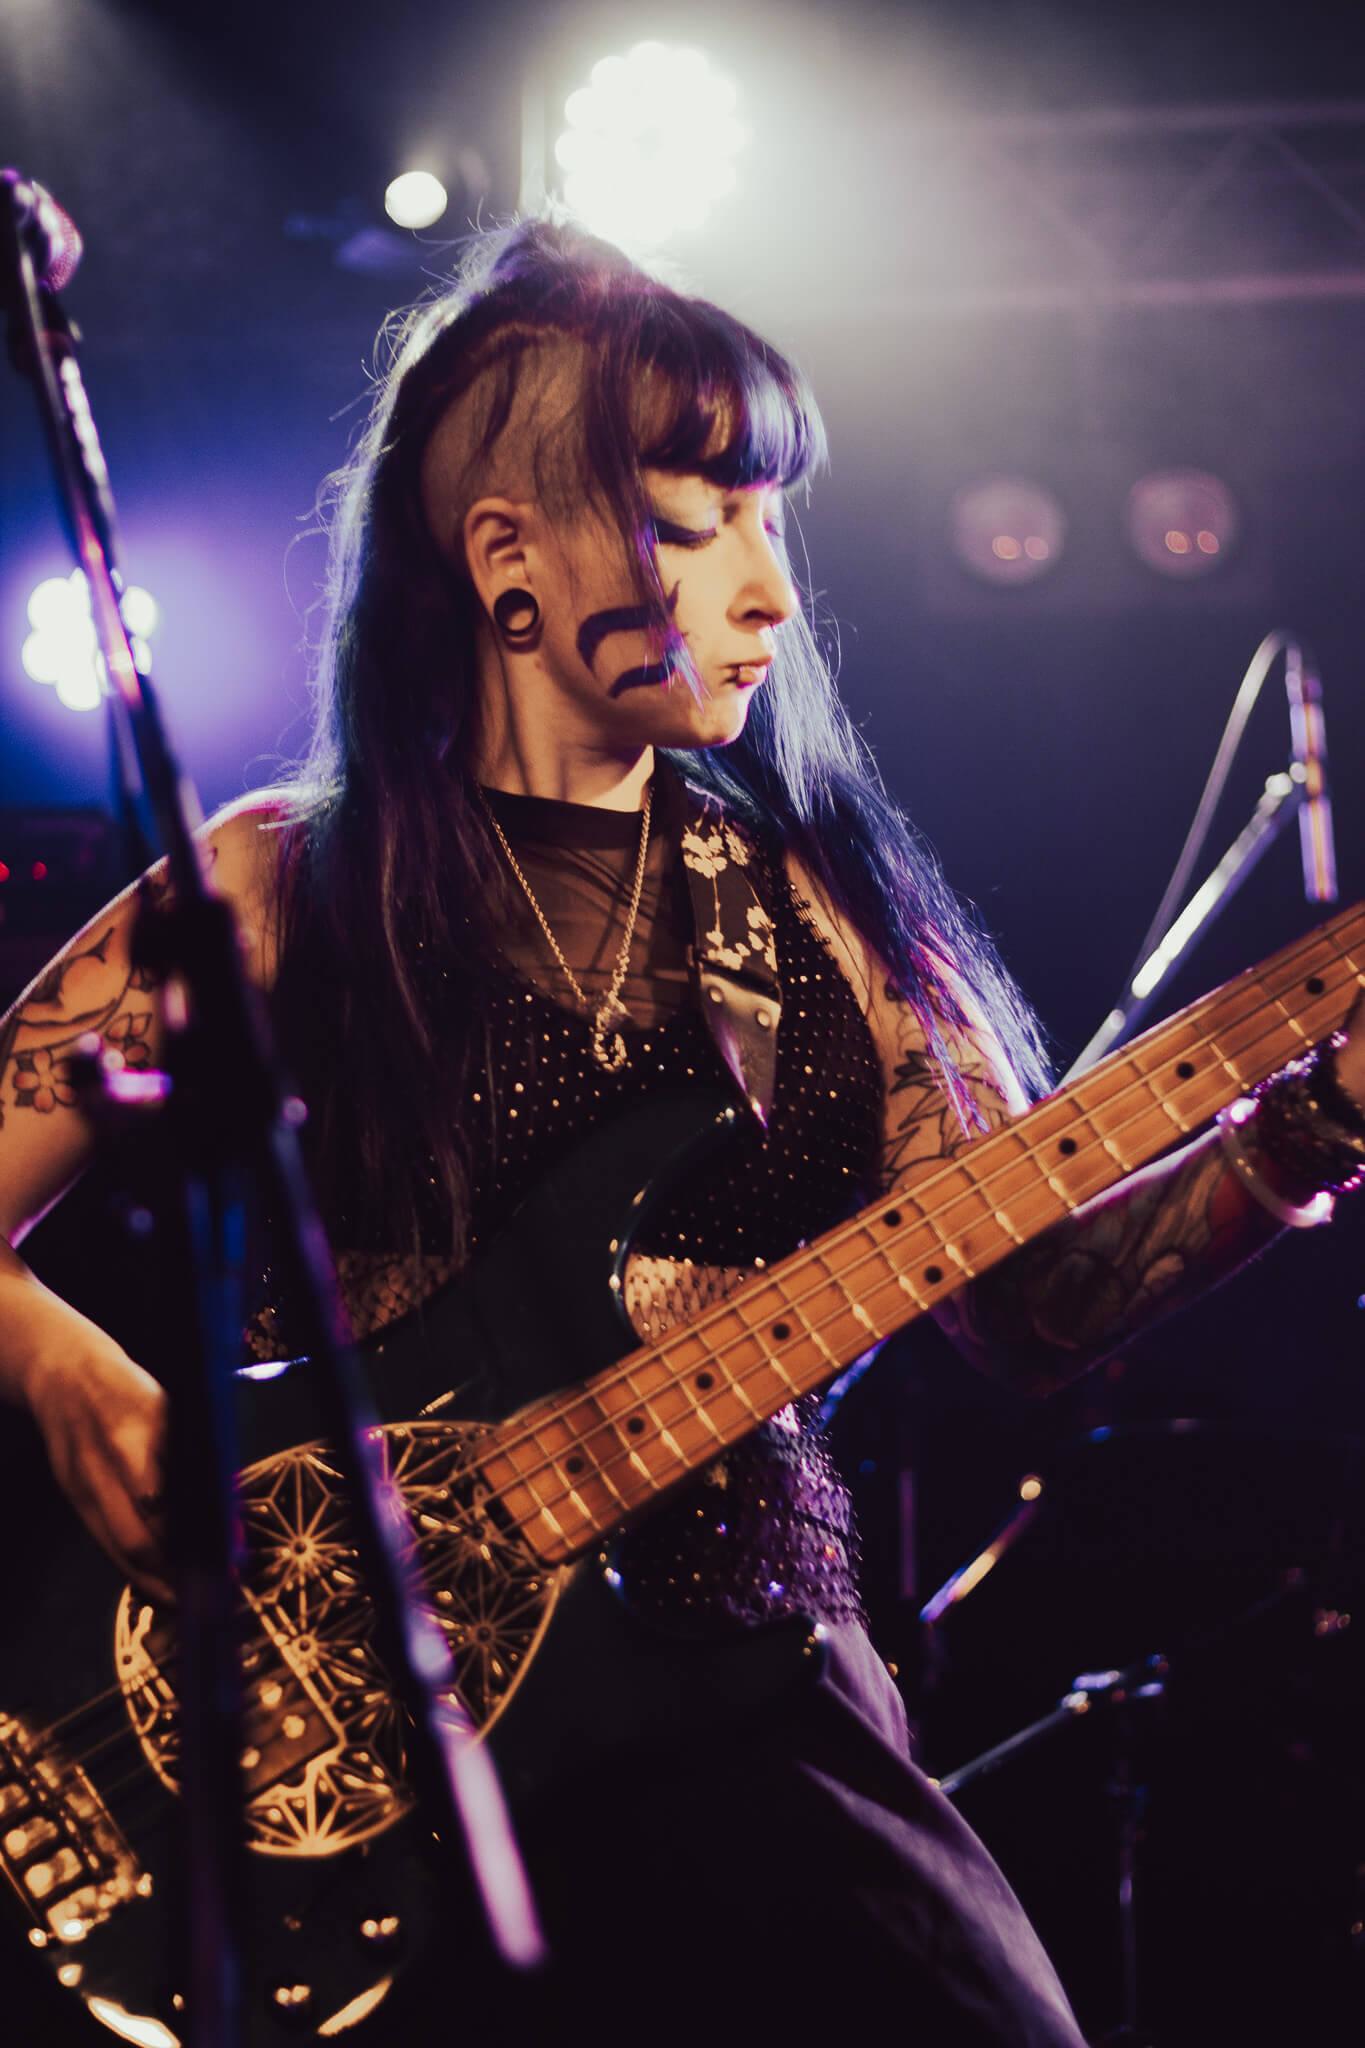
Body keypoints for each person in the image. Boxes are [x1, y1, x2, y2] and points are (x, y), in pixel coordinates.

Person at [1, 218, 1362, 2045]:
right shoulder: (277, 886)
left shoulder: (825, 922)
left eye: (771, 522)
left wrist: (1309, 1125)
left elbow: (1033, 1305)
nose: (770, 591)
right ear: (509, 560)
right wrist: (74, 1376)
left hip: (746, 1704)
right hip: (330, 1737)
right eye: (702, 519)